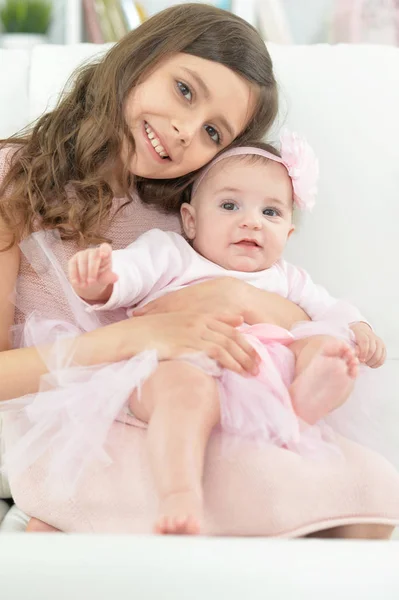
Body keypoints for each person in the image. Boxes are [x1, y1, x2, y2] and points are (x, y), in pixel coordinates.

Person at [0, 4, 398, 538]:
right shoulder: (15, 180)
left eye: (214, 132)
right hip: (74, 430)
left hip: (188, 420)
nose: (186, 131)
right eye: (184, 90)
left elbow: (283, 299)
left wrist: (228, 300)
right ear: (140, 59)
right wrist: (142, 333)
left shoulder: (186, 208)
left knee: (369, 498)